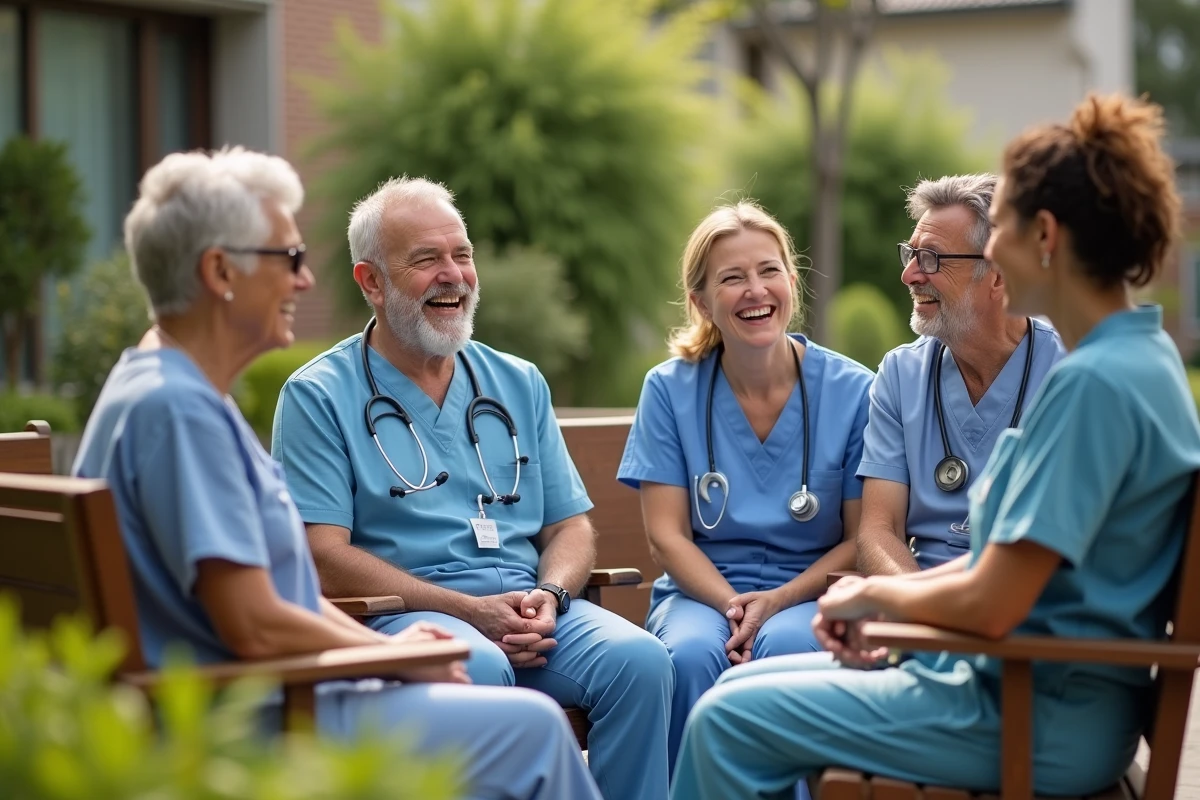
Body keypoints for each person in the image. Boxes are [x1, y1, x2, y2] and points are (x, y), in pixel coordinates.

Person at [669, 93, 1200, 799]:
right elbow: (1003, 575)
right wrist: (871, 594)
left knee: (726, 720)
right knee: (746, 692)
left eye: (1002, 223)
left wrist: (874, 595)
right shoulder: (1140, 358)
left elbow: (993, 601)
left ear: (1042, 236)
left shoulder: (1094, 385)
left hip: (1029, 710)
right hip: (1009, 684)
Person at [72, 148, 602, 800]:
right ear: (219, 271)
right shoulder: (180, 412)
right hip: (260, 715)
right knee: (537, 730)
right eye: (288, 259)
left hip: (274, 688)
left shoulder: (154, 385)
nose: (305, 282)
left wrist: (396, 647)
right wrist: (395, 656)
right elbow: (256, 623)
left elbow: (270, 603)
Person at [270, 177, 673, 800]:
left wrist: (552, 594)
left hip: (529, 613)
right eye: (425, 260)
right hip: (411, 619)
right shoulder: (318, 395)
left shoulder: (517, 380)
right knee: (476, 665)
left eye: (462, 254)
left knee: (641, 663)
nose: (452, 275)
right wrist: (468, 612)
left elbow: (569, 527)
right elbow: (320, 554)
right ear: (370, 281)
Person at [616, 201, 873, 771]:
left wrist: (776, 602)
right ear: (701, 302)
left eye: (769, 270)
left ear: (791, 281)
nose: (756, 290)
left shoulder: (855, 390)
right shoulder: (669, 389)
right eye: (732, 278)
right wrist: (735, 607)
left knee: (785, 647)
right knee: (687, 654)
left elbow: (862, 540)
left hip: (811, 592)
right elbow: (667, 538)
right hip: (701, 592)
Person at [855, 174, 1066, 575]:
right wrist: (919, 609)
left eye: (931, 258)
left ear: (999, 276)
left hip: (1021, 607)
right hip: (918, 608)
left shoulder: (1068, 372)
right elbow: (879, 531)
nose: (910, 275)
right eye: (910, 254)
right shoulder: (900, 374)